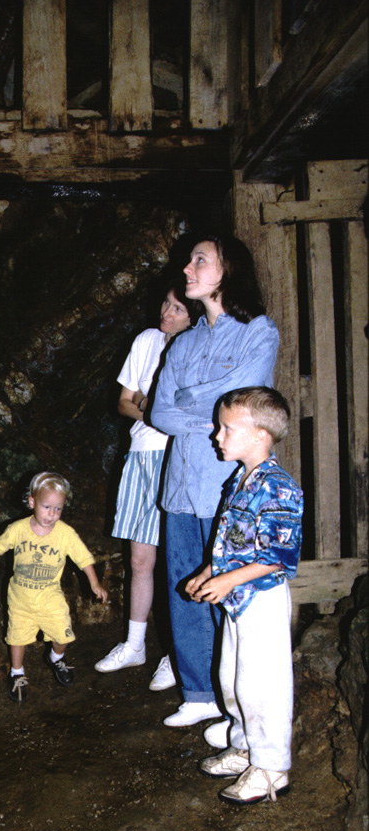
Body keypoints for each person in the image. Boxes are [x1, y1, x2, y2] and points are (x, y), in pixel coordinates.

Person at [149, 235, 279, 730]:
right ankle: (199, 693)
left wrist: (194, 398)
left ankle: (237, 706)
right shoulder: (183, 341)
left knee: (228, 593)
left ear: (228, 270)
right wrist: (204, 405)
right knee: (185, 587)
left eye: (199, 260)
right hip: (181, 483)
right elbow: (160, 412)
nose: (187, 267)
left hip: (227, 485)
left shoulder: (258, 333)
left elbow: (242, 404)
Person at [186, 387, 303, 803]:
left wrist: (228, 581)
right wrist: (210, 572)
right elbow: (234, 543)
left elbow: (278, 556)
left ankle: (272, 768)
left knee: (263, 687)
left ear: (260, 436)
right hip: (239, 601)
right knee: (232, 678)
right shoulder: (241, 480)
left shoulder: (278, 488)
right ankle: (245, 746)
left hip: (263, 600)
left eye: (226, 428)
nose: (217, 435)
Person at [95, 277, 193, 685]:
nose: (165, 314)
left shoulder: (195, 347)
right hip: (141, 455)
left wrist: (150, 405)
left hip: (179, 457)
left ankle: (178, 653)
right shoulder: (147, 341)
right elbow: (124, 401)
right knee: (140, 558)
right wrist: (153, 411)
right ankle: (135, 645)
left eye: (176, 309)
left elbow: (185, 411)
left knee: (178, 561)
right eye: (165, 304)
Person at [0, 472, 108, 701]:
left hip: (50, 597)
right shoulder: (18, 529)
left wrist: (94, 583)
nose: (52, 515)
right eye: (46, 507)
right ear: (32, 502)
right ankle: (17, 672)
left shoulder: (65, 534)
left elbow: (84, 558)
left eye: (58, 509)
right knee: (17, 637)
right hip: (20, 598)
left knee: (63, 634)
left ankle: (55, 658)